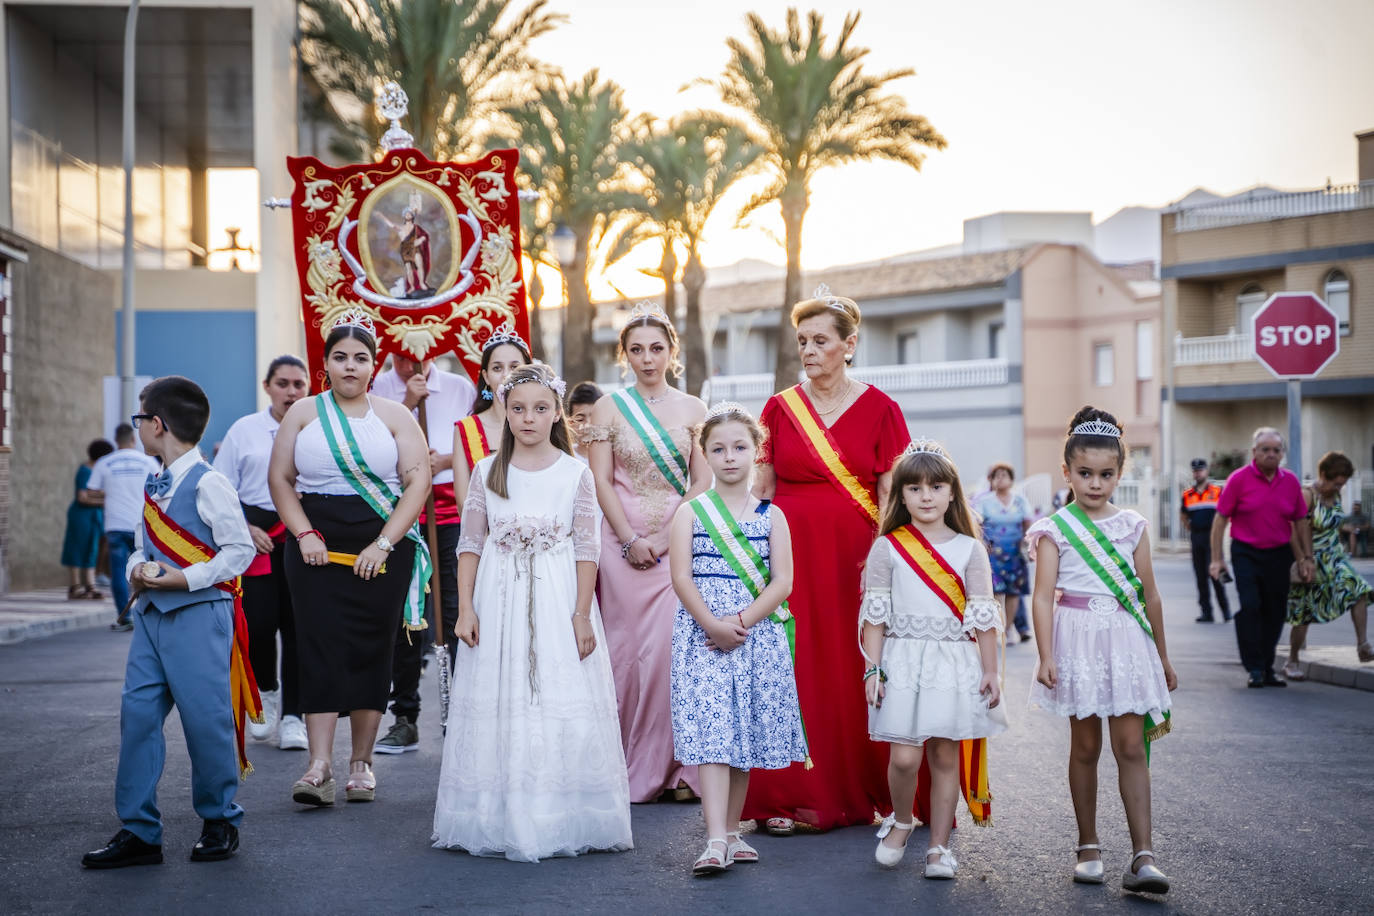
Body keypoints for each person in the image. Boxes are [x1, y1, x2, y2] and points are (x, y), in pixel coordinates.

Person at [434, 363, 632, 861]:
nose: (528, 418)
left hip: (557, 595)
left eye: (540, 409)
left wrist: (582, 614)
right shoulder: (486, 472)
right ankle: (495, 811)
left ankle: (560, 810)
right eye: (517, 408)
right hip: (497, 598)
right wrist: (466, 609)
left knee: (556, 693)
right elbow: (471, 544)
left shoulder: (575, 472)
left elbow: (588, 547)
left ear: (556, 414)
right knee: (502, 693)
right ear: (503, 411)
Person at [744, 287, 913, 835]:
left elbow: (892, 493)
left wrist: (884, 555)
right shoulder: (779, 407)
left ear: (849, 344)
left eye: (821, 340)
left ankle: (863, 788)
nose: (810, 350)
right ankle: (792, 793)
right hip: (792, 553)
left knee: (853, 664)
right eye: (803, 341)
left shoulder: (882, 409)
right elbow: (761, 488)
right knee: (796, 663)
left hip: (856, 557)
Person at [81, 376, 256, 869]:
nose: (138, 428)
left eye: (141, 420)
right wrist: (137, 565)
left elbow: (238, 551)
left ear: (156, 425)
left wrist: (186, 578)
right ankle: (139, 830)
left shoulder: (210, 481)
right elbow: (143, 540)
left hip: (199, 615)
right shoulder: (154, 480)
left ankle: (220, 819)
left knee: (206, 723)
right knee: (136, 718)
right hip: (153, 619)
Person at [268, 311, 432, 806]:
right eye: (340, 357)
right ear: (326, 364)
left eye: (360, 358)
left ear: (374, 366)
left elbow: (417, 481)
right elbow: (281, 480)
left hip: (381, 544)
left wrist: (383, 543)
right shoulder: (303, 413)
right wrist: (304, 534)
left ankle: (361, 763)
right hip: (315, 544)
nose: (350, 367)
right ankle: (318, 766)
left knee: (371, 647)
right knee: (315, 647)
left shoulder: (395, 416)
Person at [1027, 406, 1176, 895]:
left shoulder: (1132, 525)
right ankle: (1088, 846)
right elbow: (1043, 597)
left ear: (1120, 473)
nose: (1095, 484)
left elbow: (1149, 594)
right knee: (1086, 747)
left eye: (1106, 474)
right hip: (1078, 644)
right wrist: (1046, 655)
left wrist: (1163, 656)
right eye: (1085, 474)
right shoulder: (1054, 529)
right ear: (1067, 471)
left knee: (1132, 746)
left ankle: (1144, 856)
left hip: (1126, 641)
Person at [668, 403, 806, 876]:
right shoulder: (689, 513)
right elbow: (681, 578)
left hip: (755, 634)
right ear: (704, 454)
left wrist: (740, 621)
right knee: (713, 735)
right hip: (702, 633)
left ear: (757, 452)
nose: (730, 457)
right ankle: (712, 840)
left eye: (740, 447)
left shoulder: (773, 516)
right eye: (719, 448)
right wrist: (712, 624)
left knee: (742, 733)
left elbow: (782, 582)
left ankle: (731, 833)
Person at [863, 440, 1004, 878]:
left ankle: (939, 849)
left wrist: (991, 671)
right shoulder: (887, 548)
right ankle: (903, 819)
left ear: (951, 494)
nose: (926, 496)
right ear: (900, 495)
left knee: (944, 756)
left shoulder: (969, 549)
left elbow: (982, 615)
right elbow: (876, 614)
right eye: (915, 488)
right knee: (904, 758)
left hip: (952, 662)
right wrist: (873, 667)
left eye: (936, 487)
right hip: (903, 658)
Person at [586, 302, 708, 803]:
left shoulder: (694, 408)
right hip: (620, 548)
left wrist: (662, 539)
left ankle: (678, 769)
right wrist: (630, 538)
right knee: (624, 655)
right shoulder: (609, 408)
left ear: (671, 351)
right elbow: (598, 478)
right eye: (636, 350)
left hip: (676, 544)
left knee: (668, 655)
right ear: (624, 355)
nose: (647, 358)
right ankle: (622, 761)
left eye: (656, 348)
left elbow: (703, 480)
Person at [370, 349, 476, 753]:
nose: (409, 363)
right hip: (399, 512)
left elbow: (473, 441)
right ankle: (405, 716)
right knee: (404, 613)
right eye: (400, 356)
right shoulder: (376, 388)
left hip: (450, 508)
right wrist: (408, 404)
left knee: (454, 608)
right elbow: (371, 445)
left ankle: (462, 712)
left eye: (418, 355)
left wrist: (446, 458)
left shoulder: (458, 387)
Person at [214, 355, 311, 751]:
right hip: (256, 535)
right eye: (283, 383)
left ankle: (294, 716)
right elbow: (220, 489)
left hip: (302, 532)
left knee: (300, 628)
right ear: (267, 386)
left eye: (298, 384)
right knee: (258, 625)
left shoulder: (316, 428)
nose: (291, 392)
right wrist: (244, 529)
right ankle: (266, 695)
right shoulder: (244, 430)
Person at [1210, 428, 1313, 688]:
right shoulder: (1238, 479)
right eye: (1265, 449)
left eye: (1276, 450)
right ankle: (1254, 667)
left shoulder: (1290, 482)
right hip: (1246, 552)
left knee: (1275, 611)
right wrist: (1216, 559)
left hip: (1279, 554)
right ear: (1254, 452)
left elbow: (1300, 521)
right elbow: (1220, 520)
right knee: (1251, 606)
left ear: (1282, 454)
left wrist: (1306, 558)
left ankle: (1267, 667)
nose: (1270, 454)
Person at [1283, 451, 1374, 677]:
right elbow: (1295, 528)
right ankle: (1292, 661)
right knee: (1304, 613)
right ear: (1323, 474)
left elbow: (1333, 523)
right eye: (1336, 483)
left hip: (1335, 559)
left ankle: (1363, 645)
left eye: (1342, 484)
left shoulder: (1336, 495)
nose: (1339, 488)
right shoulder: (1307, 494)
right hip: (1312, 559)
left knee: (1359, 590)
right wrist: (1304, 559)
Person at [84, 423, 160, 631]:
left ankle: (124, 616)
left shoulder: (104, 463)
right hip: (142, 524)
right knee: (146, 568)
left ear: (116, 441)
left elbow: (90, 491)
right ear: (133, 439)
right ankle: (146, 614)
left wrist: (109, 492)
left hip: (115, 524)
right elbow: (161, 488)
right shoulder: (148, 462)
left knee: (118, 571)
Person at [973, 461, 1033, 641]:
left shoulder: (1020, 500)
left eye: (1004, 475)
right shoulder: (984, 501)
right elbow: (977, 524)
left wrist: (1026, 543)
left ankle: (1008, 629)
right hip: (993, 553)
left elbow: (1027, 521)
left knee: (1014, 592)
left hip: (1014, 552)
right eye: (996, 476)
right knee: (997, 591)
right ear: (991, 480)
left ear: (1011, 479)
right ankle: (999, 630)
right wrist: (982, 545)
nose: (1000, 479)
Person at [1180, 458, 1231, 623]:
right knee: (1200, 576)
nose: (1197, 473)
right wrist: (1191, 527)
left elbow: (1225, 514)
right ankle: (1206, 612)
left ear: (1206, 471)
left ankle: (1226, 611)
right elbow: (1183, 515)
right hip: (1197, 537)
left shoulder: (1217, 491)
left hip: (1213, 537)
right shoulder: (1187, 494)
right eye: (1195, 471)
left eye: (1200, 470)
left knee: (1217, 575)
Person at [65, 438, 114, 599]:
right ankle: (75, 585)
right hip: (82, 515)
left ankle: (90, 584)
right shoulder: (85, 471)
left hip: (95, 516)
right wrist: (105, 500)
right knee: (77, 547)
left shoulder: (99, 471)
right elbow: (82, 498)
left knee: (92, 549)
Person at [565, 380, 603, 463]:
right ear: (570, 422)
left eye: (594, 417)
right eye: (580, 419)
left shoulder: (614, 458)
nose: (587, 425)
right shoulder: (565, 457)